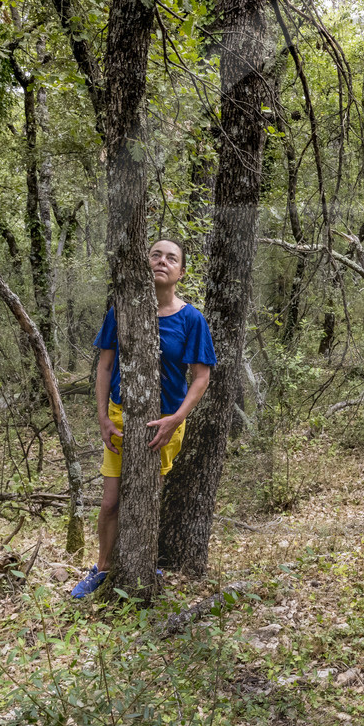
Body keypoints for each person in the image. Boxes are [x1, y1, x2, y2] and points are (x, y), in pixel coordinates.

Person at [71, 238, 216, 598]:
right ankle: (103, 567)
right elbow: (104, 366)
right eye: (156, 255)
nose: (162, 262)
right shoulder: (121, 311)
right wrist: (103, 417)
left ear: (181, 271)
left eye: (172, 258)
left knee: (149, 495)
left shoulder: (191, 319)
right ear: (144, 262)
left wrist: (177, 419)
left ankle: (142, 562)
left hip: (166, 422)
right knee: (110, 501)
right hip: (121, 416)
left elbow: (201, 375)